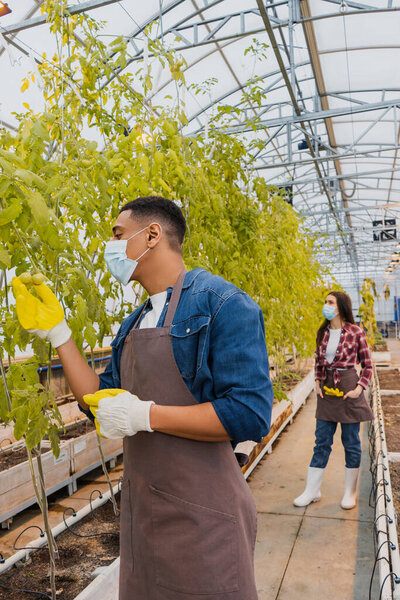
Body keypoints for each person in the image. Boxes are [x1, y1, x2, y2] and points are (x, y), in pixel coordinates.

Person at [12, 196, 273, 600]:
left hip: (205, 518)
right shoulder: (135, 322)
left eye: (118, 235)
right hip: (144, 517)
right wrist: (60, 333)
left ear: (152, 235)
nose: (111, 247)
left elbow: (248, 413)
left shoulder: (222, 305)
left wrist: (146, 415)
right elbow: (97, 399)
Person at [293, 290, 373, 510]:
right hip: (327, 390)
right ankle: (312, 491)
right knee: (322, 441)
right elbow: (319, 360)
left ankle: (350, 492)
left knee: (351, 442)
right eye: (325, 302)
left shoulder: (356, 332)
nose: (326, 305)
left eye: (330, 302)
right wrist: (317, 381)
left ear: (340, 307)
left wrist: (359, 389)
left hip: (348, 388)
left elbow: (367, 365)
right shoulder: (323, 332)